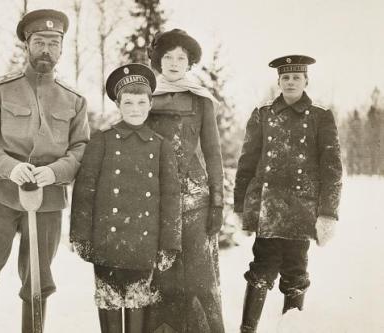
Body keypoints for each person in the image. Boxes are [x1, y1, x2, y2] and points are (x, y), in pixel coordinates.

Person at [0, 9, 90, 333]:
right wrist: (10, 168)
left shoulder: (74, 100)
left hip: (48, 201)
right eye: (39, 42)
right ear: (27, 45)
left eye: (54, 43)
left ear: (62, 48)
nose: (46, 50)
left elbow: (81, 148)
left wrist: (54, 172)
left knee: (38, 280)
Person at [233, 55, 343, 332]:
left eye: (296, 77)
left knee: (295, 274)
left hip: (301, 211)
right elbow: (246, 163)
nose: (291, 82)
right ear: (278, 82)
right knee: (260, 270)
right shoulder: (263, 113)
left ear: (306, 81)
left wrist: (328, 213)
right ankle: (247, 329)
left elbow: (332, 168)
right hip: (267, 210)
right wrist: (240, 206)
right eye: (285, 77)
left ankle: (290, 328)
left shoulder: (320, 116)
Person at [70, 63, 181, 333]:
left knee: (137, 305)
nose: (135, 108)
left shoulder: (161, 146)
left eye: (141, 102)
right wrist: (80, 236)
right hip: (106, 243)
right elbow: (84, 192)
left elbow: (171, 199)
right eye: (128, 102)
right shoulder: (102, 140)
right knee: (108, 303)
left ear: (149, 104)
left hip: (144, 245)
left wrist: (170, 243)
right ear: (118, 105)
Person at [144, 29, 226, 333]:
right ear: (158, 60)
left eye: (181, 57)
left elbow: (213, 153)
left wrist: (217, 202)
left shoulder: (202, 100)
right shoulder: (145, 97)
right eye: (168, 57)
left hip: (195, 202)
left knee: (200, 280)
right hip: (156, 202)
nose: (175, 63)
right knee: (161, 278)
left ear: (189, 62)